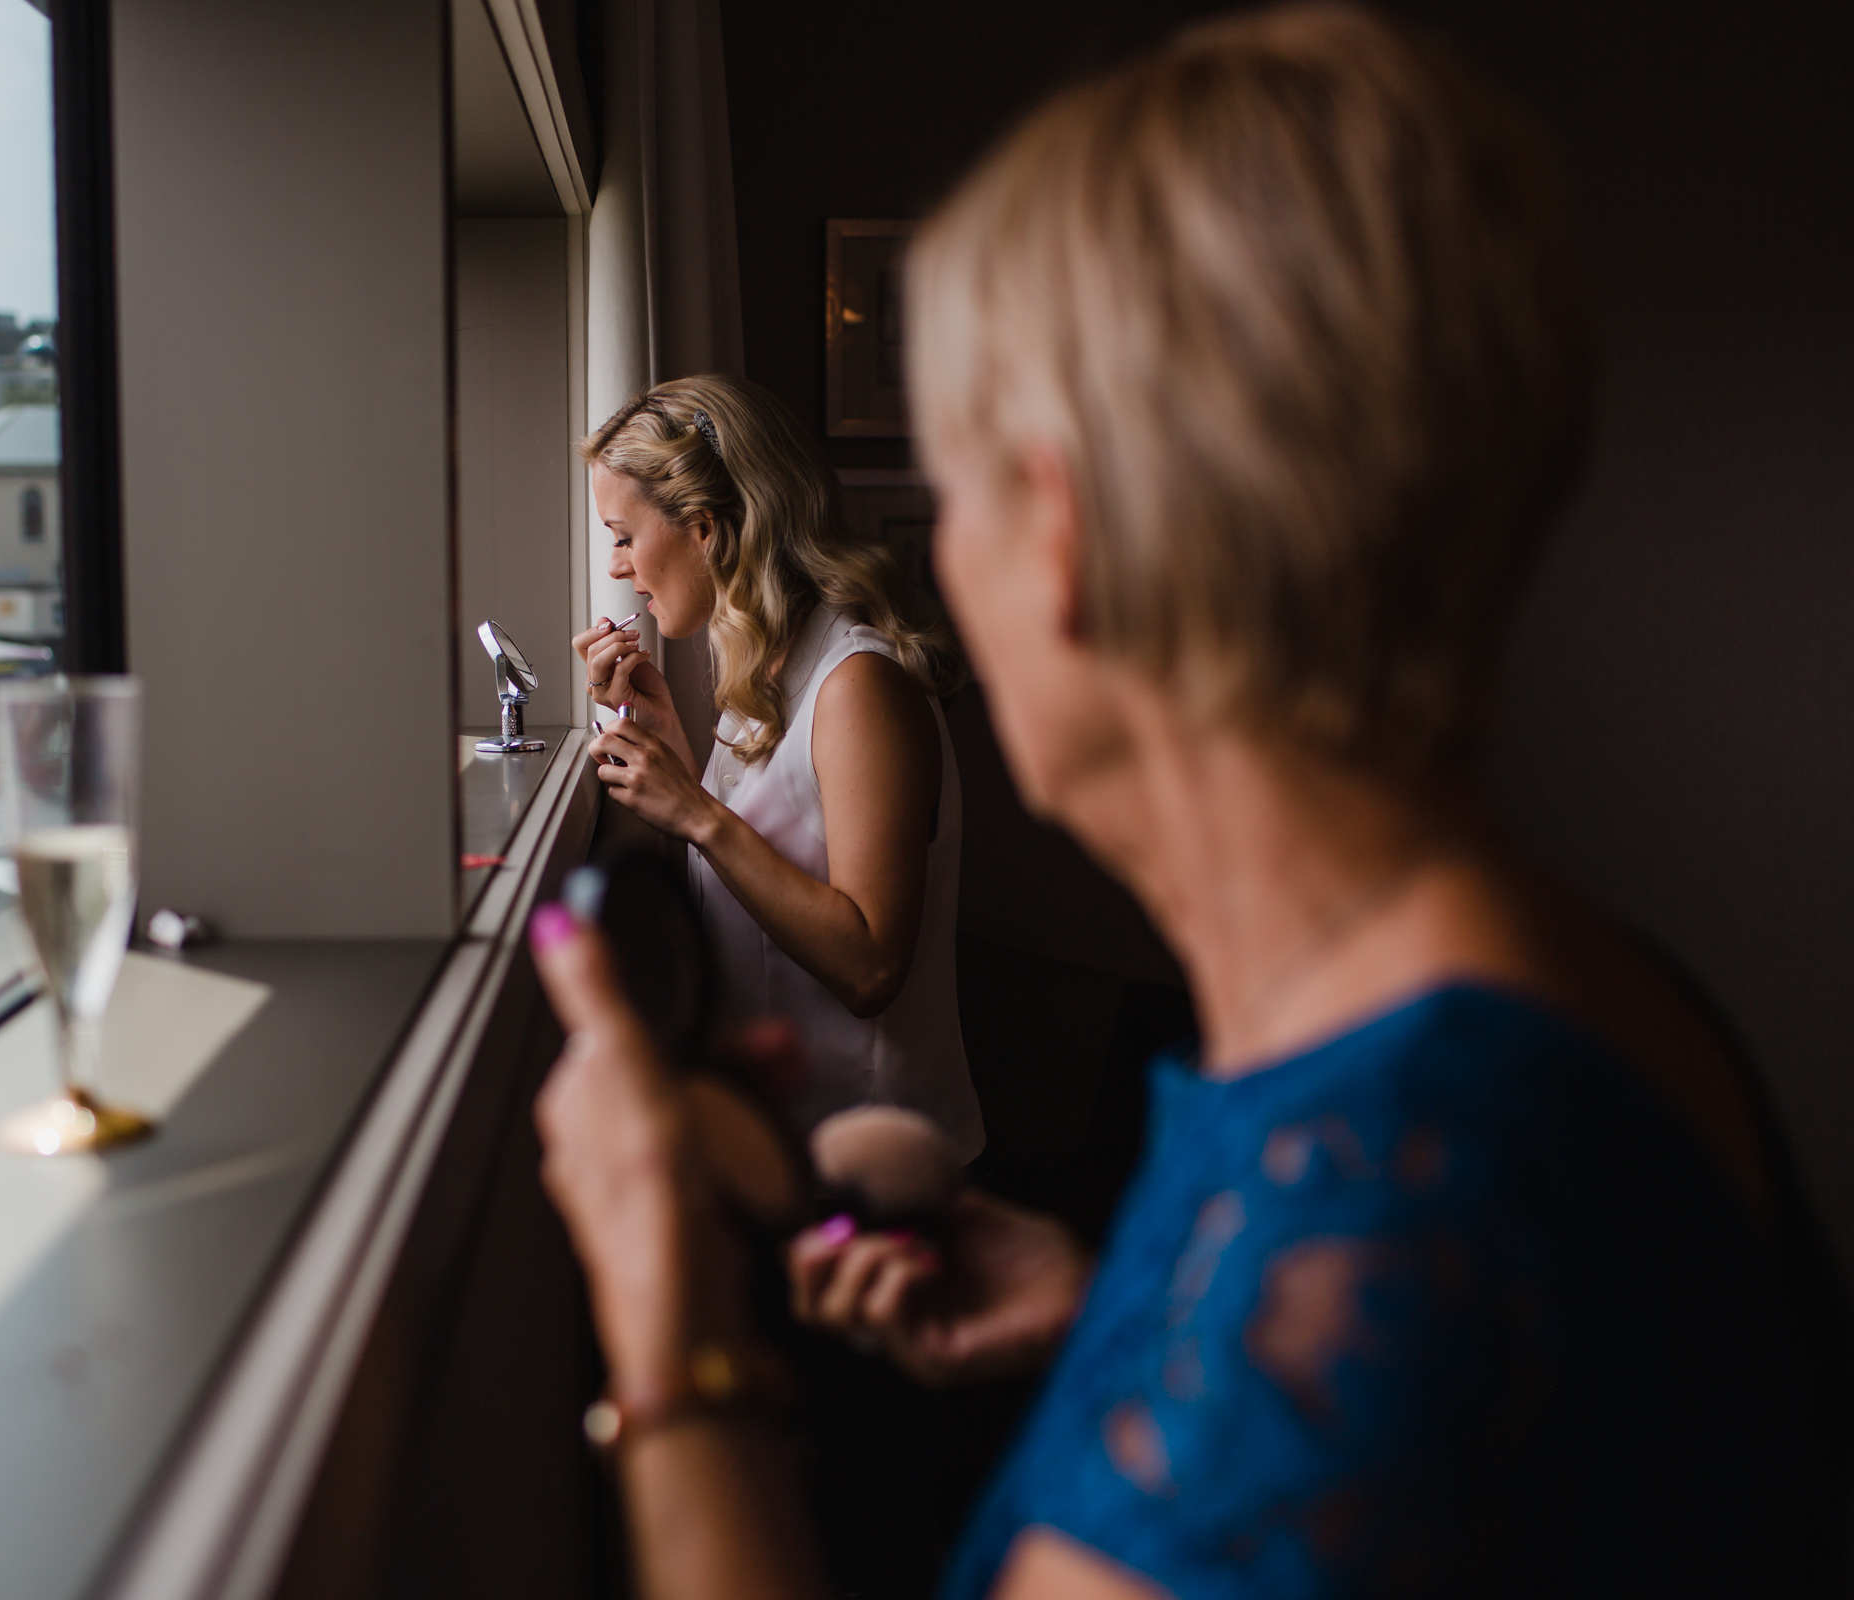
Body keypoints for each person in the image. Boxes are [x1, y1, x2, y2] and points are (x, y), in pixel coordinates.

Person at [526, 7, 1850, 1598]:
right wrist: (1120, 1318)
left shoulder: (1388, 1179)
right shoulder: (1591, 1002)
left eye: (965, 492)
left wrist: (674, 1343)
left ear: (1061, 535)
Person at [574, 375, 981, 1155]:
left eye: (624, 535)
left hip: (877, 1169)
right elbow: (772, 875)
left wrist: (697, 811)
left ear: (703, 530)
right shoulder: (767, 676)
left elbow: (869, 966)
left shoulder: (859, 686)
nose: (620, 566)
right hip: (786, 1139)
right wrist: (669, 762)